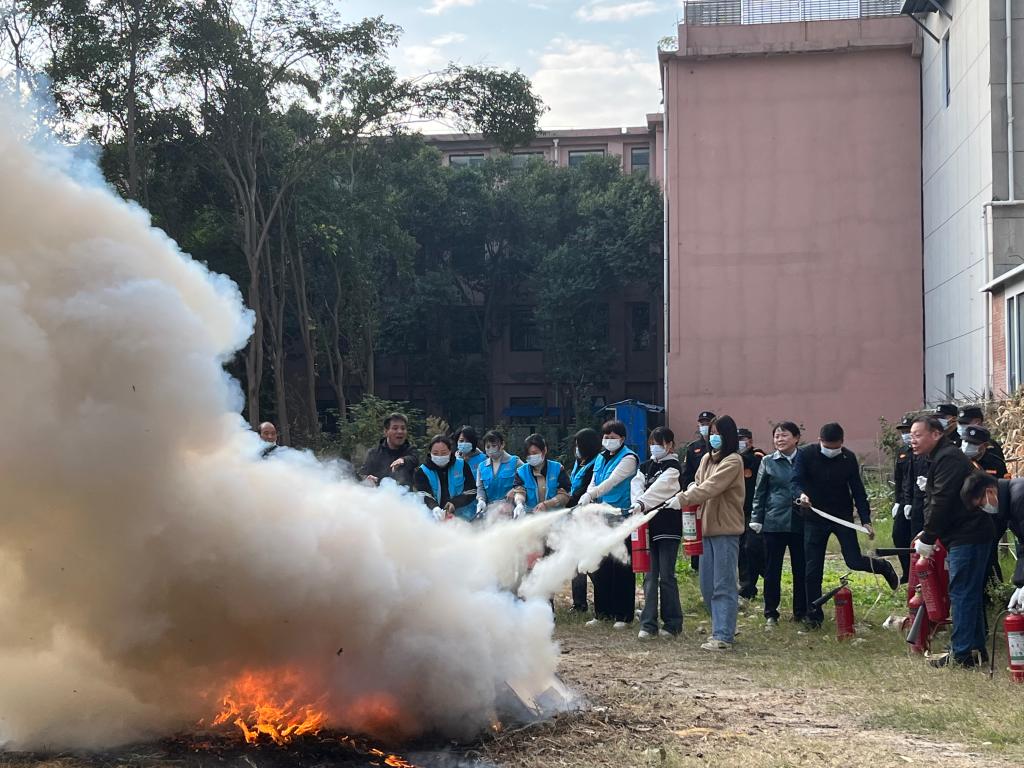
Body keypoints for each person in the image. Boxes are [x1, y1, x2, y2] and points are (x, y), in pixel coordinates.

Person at [794, 422, 899, 629]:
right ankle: (813, 616)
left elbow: (858, 491)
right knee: (812, 569)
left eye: (835, 447)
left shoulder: (848, 458)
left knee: (853, 560)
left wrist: (866, 520)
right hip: (814, 517)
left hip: (842, 517)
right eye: (827, 446)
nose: (831, 450)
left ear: (842, 442)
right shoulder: (806, 455)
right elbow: (795, 481)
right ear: (819, 441)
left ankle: (883, 567)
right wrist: (801, 495)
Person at [910, 416, 996, 667]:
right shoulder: (939, 458)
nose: (912, 440)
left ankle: (961, 654)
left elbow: (943, 500)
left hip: (968, 534)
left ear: (936, 434)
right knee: (968, 592)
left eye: (918, 435)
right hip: (963, 534)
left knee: (961, 593)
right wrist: (927, 532)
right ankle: (975, 651)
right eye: (911, 435)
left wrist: (928, 536)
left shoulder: (947, 458)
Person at [669, 415, 744, 650]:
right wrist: (690, 488)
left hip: (725, 529)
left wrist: (682, 498)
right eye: (711, 432)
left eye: (718, 432)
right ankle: (723, 625)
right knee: (707, 585)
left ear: (728, 436)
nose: (713, 437)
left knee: (724, 583)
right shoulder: (706, 459)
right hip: (705, 529)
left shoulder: (733, 461)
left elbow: (711, 487)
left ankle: (723, 635)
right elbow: (698, 483)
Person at [580, 420, 640, 629]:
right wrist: (589, 495)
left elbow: (612, 481)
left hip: (621, 518)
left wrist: (591, 494)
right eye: (606, 436)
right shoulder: (600, 457)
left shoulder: (629, 458)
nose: (608, 440)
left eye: (613, 437)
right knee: (601, 566)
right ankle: (602, 612)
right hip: (601, 518)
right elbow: (595, 480)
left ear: (622, 439)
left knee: (621, 566)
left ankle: (623, 615)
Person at [629, 426, 683, 639]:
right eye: (652, 443)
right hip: (646, 528)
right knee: (649, 576)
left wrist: (642, 503)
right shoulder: (644, 466)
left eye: (660, 443)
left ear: (670, 445)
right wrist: (636, 504)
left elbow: (662, 488)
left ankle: (672, 624)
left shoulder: (674, 467)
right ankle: (648, 624)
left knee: (667, 576)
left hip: (668, 527)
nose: (655, 447)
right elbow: (637, 485)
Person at [750, 421, 806, 627]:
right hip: (774, 521)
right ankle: (771, 613)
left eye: (784, 436)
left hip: (801, 521)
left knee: (801, 569)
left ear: (796, 438)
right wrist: (756, 518)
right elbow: (760, 492)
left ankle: (801, 611)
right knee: (772, 570)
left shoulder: (805, 459)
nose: (780, 440)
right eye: (776, 436)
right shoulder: (768, 461)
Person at [962, 424, 1010, 592]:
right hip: (970, 518)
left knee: (990, 555)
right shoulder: (959, 462)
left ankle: (997, 591)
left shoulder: (995, 461)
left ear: (983, 445)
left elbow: (1003, 489)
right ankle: (983, 592)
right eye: (966, 442)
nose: (968, 447)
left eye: (973, 444)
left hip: (992, 517)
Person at [568, 428, 602, 613]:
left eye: (579, 445)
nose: (576, 448)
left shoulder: (596, 462)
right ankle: (579, 602)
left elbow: (583, 490)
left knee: (589, 560)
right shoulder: (578, 462)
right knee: (576, 560)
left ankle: (603, 599)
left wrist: (568, 502)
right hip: (575, 516)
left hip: (589, 517)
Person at [681, 410, 716, 571]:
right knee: (695, 527)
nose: (704, 426)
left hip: (714, 494)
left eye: (707, 423)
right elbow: (686, 472)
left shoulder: (719, 446)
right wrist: (689, 488)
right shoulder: (693, 447)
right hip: (696, 493)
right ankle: (696, 563)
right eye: (702, 424)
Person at [414, 435, 477, 521]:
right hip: (434, 519)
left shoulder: (461, 465)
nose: (440, 456)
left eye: (444, 453)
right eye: (435, 453)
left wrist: (455, 503)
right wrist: (434, 507)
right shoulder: (422, 471)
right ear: (430, 453)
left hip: (462, 518)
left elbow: (472, 490)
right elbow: (423, 494)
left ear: (450, 451)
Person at [508, 433, 570, 516]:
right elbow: (519, 491)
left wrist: (547, 504)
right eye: (528, 454)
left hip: (555, 517)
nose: (531, 457)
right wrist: (519, 504)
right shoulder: (521, 472)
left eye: (534, 453)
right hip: (530, 517)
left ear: (544, 451)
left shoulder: (558, 469)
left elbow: (565, 495)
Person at [737, 428, 766, 600]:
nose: (741, 442)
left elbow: (751, 463)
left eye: (744, 439)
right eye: (738, 438)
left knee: (753, 548)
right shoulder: (735, 458)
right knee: (742, 550)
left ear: (751, 440)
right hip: (738, 511)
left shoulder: (758, 455)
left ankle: (763, 577)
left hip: (755, 512)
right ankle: (747, 586)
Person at [360, 412, 418, 488]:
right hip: (379, 497)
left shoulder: (410, 450)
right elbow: (362, 474)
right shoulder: (374, 453)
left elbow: (414, 459)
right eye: (395, 428)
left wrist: (403, 460)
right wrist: (367, 479)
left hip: (405, 498)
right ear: (386, 431)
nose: (400, 431)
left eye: (403, 428)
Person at [994, 476, 1024, 614]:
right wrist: (1020, 583)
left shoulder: (1019, 500)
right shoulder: (1011, 505)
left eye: (981, 503)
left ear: (989, 492)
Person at [891, 416, 915, 583]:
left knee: (915, 538)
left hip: (917, 500)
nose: (905, 435)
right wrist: (897, 501)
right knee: (898, 535)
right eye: (903, 432)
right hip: (903, 500)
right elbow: (899, 479)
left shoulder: (921, 451)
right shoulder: (902, 452)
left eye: (908, 431)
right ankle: (907, 572)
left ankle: (916, 573)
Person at [475, 430, 521, 517]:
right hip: (491, 512)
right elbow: (480, 488)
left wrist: (514, 491)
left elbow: (526, 480)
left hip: (510, 511)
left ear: (502, 445)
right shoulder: (481, 467)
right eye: (488, 447)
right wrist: (481, 500)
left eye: (494, 446)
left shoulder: (515, 462)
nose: (490, 449)